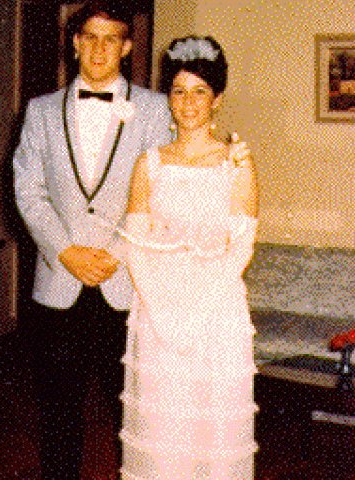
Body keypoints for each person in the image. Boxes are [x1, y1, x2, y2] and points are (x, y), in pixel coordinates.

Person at [12, 1, 171, 478]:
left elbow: (159, 195)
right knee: (58, 415)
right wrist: (66, 251)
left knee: (136, 416)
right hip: (58, 284)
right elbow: (27, 189)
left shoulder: (156, 109)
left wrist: (114, 254)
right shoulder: (39, 111)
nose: (100, 48)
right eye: (91, 38)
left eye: (111, 39)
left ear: (126, 46)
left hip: (126, 283)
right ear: (76, 42)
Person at [119, 35, 259, 479]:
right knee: (165, 423)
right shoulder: (149, 163)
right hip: (158, 310)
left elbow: (242, 244)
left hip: (216, 311)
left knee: (212, 424)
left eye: (200, 91)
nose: (188, 102)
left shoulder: (236, 162)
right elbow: (135, 244)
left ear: (218, 98)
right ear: (168, 97)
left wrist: (199, 308)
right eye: (179, 90)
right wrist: (162, 310)